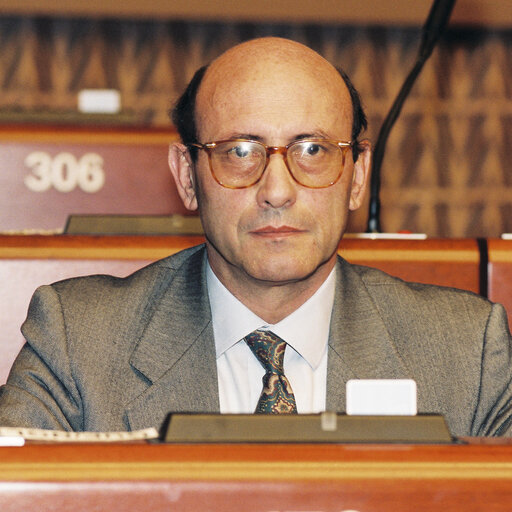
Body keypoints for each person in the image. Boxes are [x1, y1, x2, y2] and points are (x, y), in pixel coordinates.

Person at [0, 37, 511, 436]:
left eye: (312, 150)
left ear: (357, 176)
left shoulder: (468, 354)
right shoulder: (78, 344)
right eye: (239, 152)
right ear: (187, 177)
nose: (277, 191)